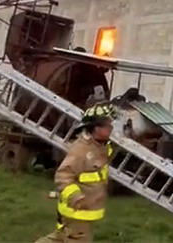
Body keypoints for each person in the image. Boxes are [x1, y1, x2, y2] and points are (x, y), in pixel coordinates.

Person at [35, 103, 115, 243]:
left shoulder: (99, 146)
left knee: (61, 237)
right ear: (95, 128)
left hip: (83, 209)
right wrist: (76, 197)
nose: (111, 128)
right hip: (77, 210)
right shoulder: (81, 151)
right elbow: (63, 176)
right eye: (107, 125)